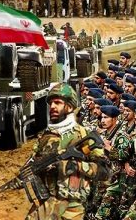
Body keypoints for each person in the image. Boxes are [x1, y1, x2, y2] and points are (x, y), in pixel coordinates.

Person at [26, 83, 106, 220]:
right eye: (50, 103)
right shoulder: (45, 136)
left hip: (72, 207)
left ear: (69, 106)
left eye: (57, 103)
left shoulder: (83, 134)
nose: (52, 107)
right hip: (47, 203)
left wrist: (76, 166)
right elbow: (34, 163)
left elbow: (104, 171)